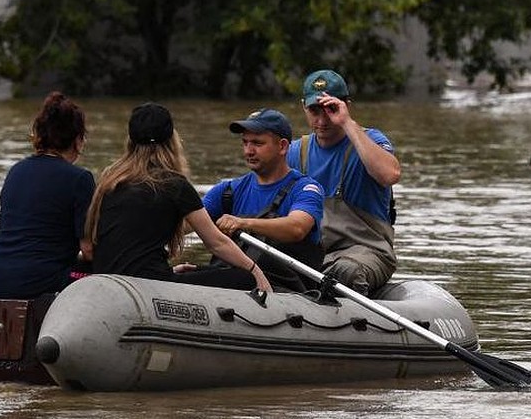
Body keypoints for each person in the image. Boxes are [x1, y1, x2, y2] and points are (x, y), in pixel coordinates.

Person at [83, 101, 272, 294]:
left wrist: (170, 272)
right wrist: (255, 271)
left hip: (108, 279)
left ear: (130, 141)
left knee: (198, 270)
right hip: (150, 284)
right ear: (172, 140)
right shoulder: (174, 184)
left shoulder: (110, 179)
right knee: (242, 277)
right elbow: (217, 243)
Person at [186, 108, 324, 292]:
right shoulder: (227, 191)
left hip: (286, 289)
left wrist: (243, 223)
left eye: (257, 143)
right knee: (186, 274)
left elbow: (297, 228)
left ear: (282, 146)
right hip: (233, 279)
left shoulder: (306, 189)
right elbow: (184, 225)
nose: (249, 151)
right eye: (245, 142)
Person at [288, 69, 400, 294]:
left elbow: (390, 175)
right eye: (314, 110)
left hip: (367, 252)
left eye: (330, 110)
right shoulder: (295, 152)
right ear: (304, 107)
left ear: (345, 105)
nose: (322, 120)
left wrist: (347, 122)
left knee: (345, 272)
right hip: (314, 256)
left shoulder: (371, 140)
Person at [0, 91, 95, 299]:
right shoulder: (80, 179)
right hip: (38, 283)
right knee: (102, 273)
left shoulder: (16, 171)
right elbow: (89, 250)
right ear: (77, 140)